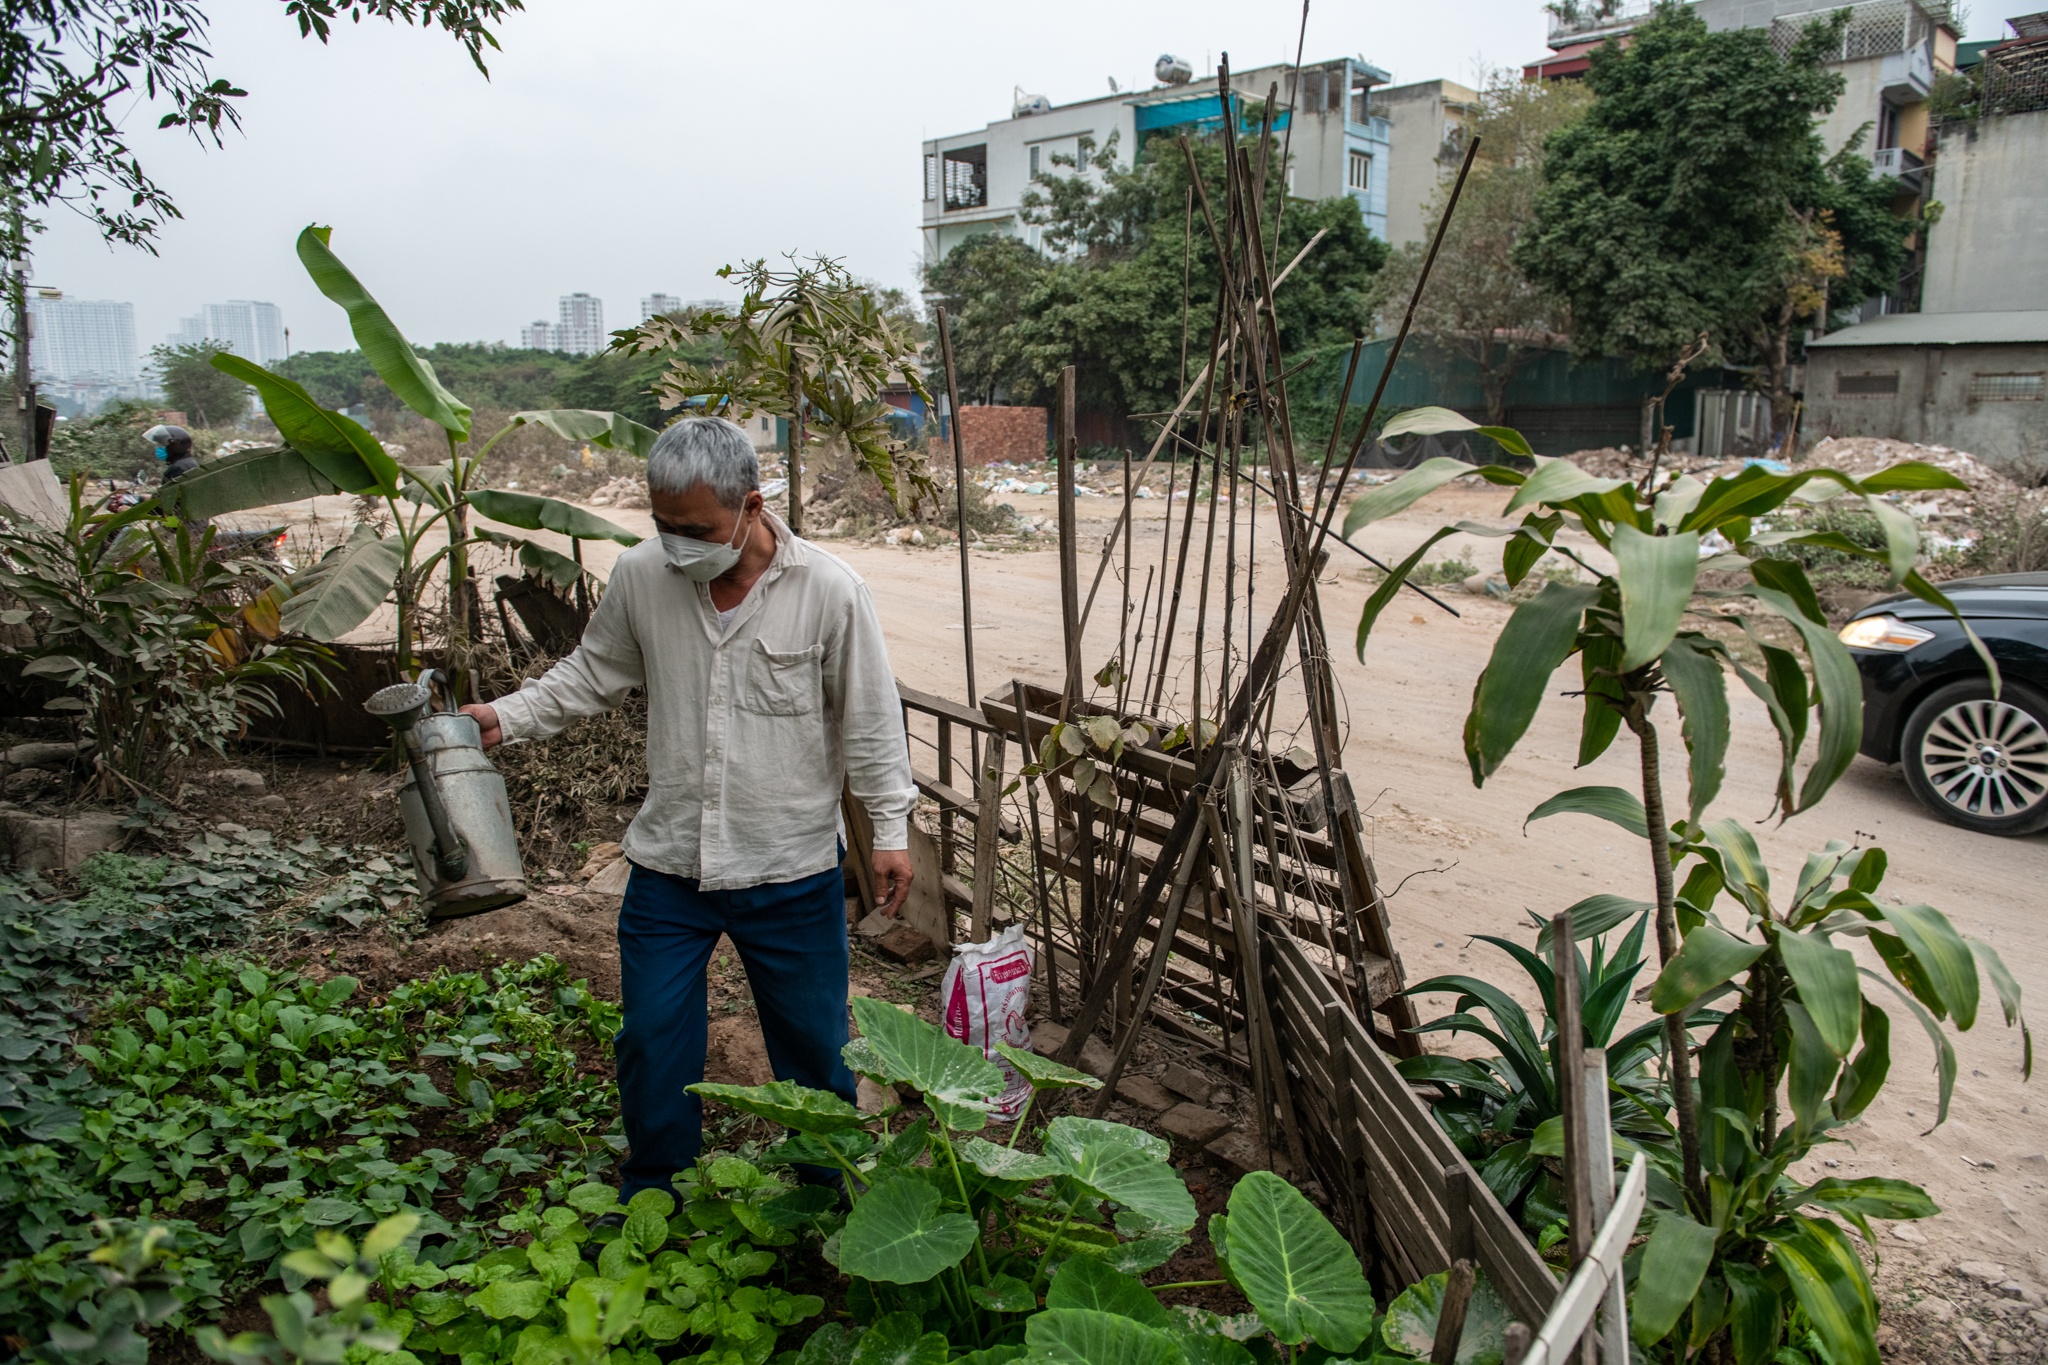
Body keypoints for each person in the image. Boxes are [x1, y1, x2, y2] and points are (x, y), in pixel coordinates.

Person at [460, 416, 915, 1201]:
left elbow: (871, 720)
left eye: (696, 528)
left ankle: (821, 1193)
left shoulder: (830, 591)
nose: (678, 545)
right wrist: (508, 715)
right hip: (670, 863)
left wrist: (890, 830)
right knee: (652, 1036)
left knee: (813, 1047)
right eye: (664, 526)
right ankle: (654, 1191)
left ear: (751, 504)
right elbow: (591, 674)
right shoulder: (643, 577)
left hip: (790, 867)